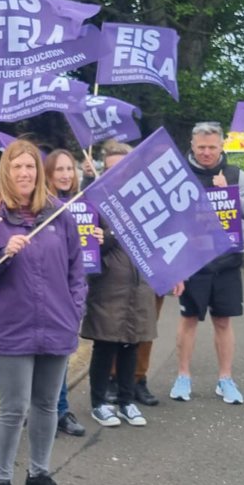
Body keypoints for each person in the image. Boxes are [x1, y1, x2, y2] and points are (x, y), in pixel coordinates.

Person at [0, 138, 87, 485]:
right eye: (16, 167)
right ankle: (1, 480)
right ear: (5, 173)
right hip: (11, 327)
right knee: (13, 407)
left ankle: (39, 474)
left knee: (46, 405)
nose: (24, 173)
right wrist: (5, 253)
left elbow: (77, 269)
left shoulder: (60, 214)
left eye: (30, 167)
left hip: (57, 324)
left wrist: (75, 311)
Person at [83, 141, 182, 430]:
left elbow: (165, 239)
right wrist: (112, 232)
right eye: (112, 168)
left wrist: (174, 271)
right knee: (105, 346)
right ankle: (99, 402)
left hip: (140, 286)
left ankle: (126, 401)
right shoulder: (93, 200)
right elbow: (89, 248)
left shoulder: (146, 201)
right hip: (108, 286)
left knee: (131, 342)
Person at [170, 121, 244, 405]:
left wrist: (229, 191)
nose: (206, 152)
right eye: (201, 147)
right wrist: (175, 269)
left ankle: (225, 380)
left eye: (212, 147)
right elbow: (171, 220)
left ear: (221, 146)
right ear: (192, 147)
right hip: (192, 263)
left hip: (226, 262)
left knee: (223, 321)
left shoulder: (235, 174)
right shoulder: (179, 174)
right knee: (188, 321)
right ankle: (183, 376)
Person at [43, 148, 87, 438]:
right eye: (59, 169)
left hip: (69, 292)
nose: (65, 175)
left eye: (69, 169)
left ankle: (59, 409)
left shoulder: (85, 204)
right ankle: (47, 410)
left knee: (60, 353)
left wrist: (100, 238)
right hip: (41, 291)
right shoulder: (43, 207)